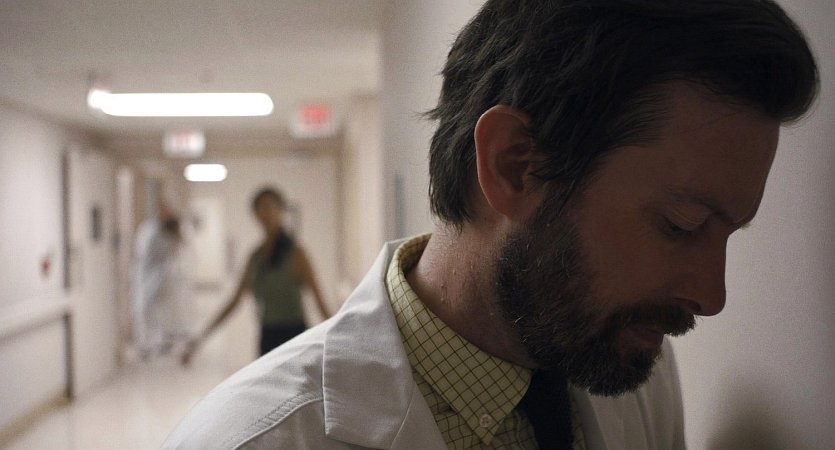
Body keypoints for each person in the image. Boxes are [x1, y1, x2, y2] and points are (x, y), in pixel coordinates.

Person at [164, 1, 818, 449]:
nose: (711, 295)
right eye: (681, 224)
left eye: (728, 235)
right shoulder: (251, 440)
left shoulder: (634, 369)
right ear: (514, 165)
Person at [181, 187, 329, 363]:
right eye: (260, 208)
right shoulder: (255, 258)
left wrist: (343, 339)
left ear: (281, 211)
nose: (265, 213)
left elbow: (320, 303)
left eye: (270, 207)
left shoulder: (296, 254)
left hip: (295, 338)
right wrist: (200, 339)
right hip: (267, 336)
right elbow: (234, 301)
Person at [131, 206, 191, 359]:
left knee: (150, 312)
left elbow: (143, 252)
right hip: (154, 277)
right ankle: (152, 343)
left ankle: (154, 343)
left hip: (157, 277)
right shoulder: (156, 233)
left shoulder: (154, 232)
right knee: (150, 312)